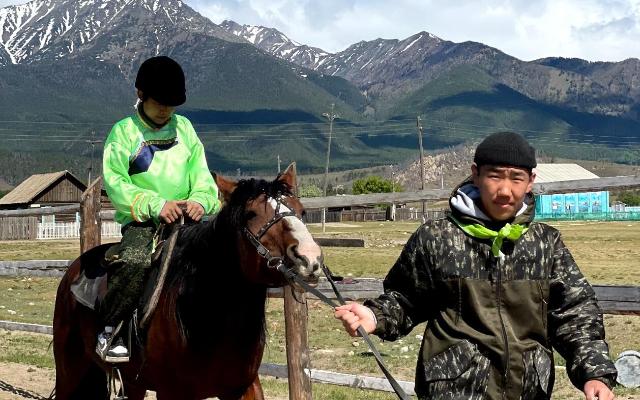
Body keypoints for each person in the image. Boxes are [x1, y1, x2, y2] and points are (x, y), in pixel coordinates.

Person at [335, 132, 617, 400]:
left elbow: (575, 314)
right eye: (494, 176)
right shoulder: (437, 238)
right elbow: (405, 299)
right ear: (475, 173)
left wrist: (595, 373)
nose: (505, 190)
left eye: (517, 179)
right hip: (454, 389)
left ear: (531, 181)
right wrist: (374, 317)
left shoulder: (545, 243)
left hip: (528, 391)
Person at [97, 56, 221, 363]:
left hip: (187, 218)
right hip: (143, 222)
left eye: (172, 103)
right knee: (135, 260)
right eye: (159, 101)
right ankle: (111, 328)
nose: (166, 109)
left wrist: (200, 201)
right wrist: (156, 205)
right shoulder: (124, 133)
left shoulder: (185, 129)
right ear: (140, 94)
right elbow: (115, 182)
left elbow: (202, 175)